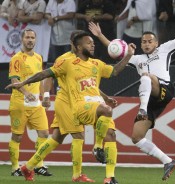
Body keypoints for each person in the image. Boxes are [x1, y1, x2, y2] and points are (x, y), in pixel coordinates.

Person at [88, 7, 175, 181]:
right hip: (152, 99)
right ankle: (168, 161)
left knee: (145, 77)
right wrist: (99, 35)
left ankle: (142, 109)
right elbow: (116, 49)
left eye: (149, 41)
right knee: (136, 137)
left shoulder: (165, 49)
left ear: (156, 43)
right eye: (143, 42)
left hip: (164, 89)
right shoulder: (137, 59)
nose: (146, 44)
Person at [5, 31, 136, 184]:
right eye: (88, 42)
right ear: (76, 45)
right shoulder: (64, 60)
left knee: (58, 137)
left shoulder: (94, 63)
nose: (93, 45)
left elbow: (92, 81)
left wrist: (106, 97)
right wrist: (44, 94)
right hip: (68, 101)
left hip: (91, 101)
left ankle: (29, 166)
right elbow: (48, 75)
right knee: (78, 135)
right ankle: (78, 172)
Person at [7, 28, 52, 177]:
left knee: (44, 133)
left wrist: (44, 95)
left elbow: (41, 79)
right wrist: (26, 93)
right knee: (17, 137)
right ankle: (15, 168)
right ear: (22, 39)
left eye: (33, 37)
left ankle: (39, 165)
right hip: (20, 102)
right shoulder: (16, 59)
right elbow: (14, 80)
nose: (30, 40)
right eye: (27, 37)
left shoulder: (39, 58)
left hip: (35, 103)